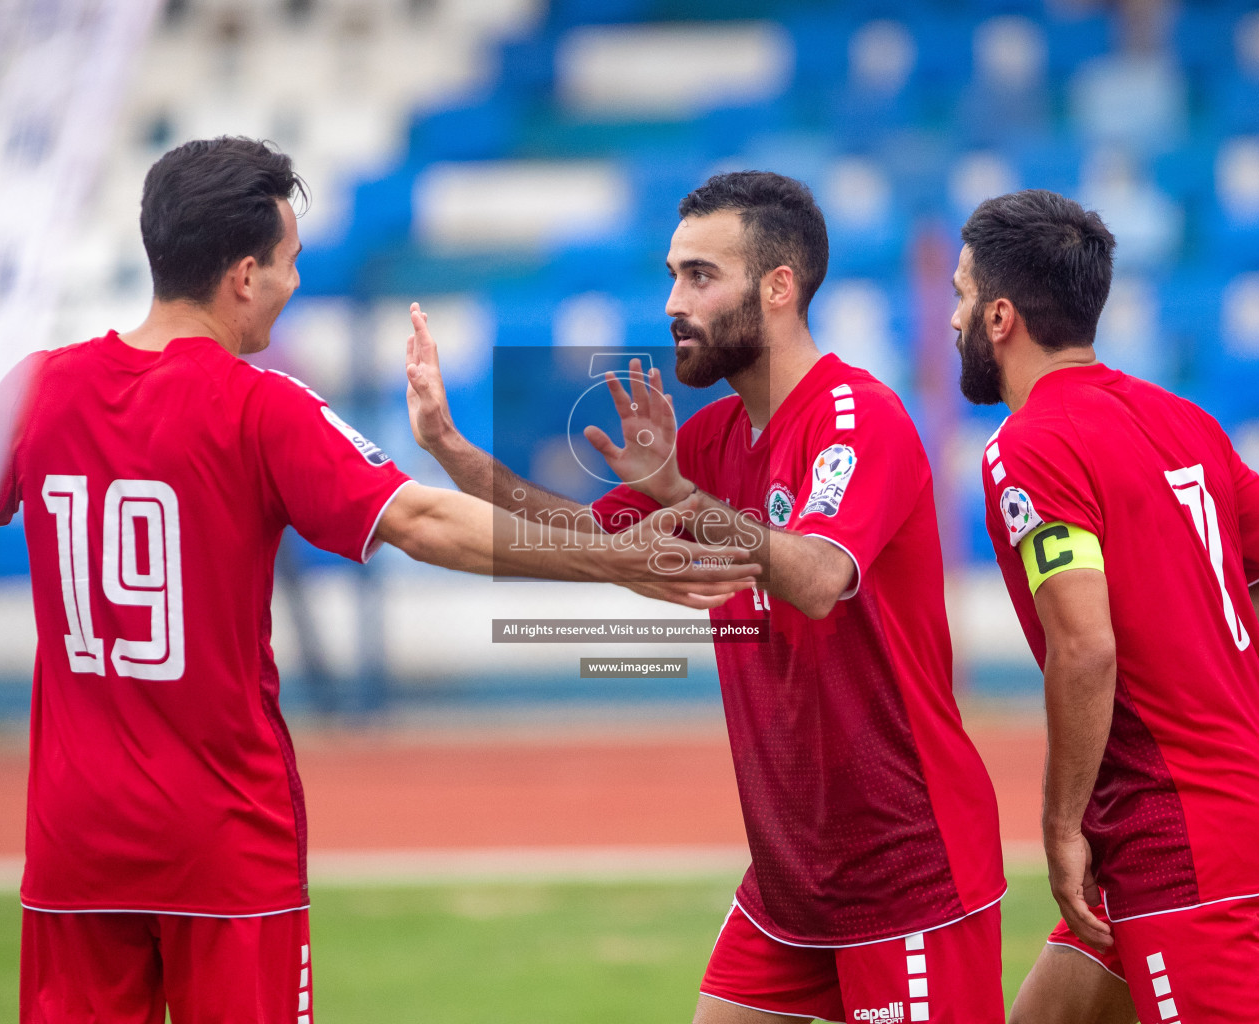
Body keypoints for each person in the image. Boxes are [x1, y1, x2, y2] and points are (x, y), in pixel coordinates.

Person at [0, 136, 756, 1024]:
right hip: (222, 840)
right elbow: (424, 523)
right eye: (288, 263)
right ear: (242, 275)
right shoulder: (259, 404)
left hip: (74, 844)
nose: (295, 282)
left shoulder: (39, 388)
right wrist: (617, 559)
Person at [406, 170, 1007, 1023]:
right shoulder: (714, 439)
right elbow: (591, 545)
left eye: (698, 276)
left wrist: (681, 497)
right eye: (671, 274)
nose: (671, 303)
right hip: (792, 877)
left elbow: (818, 577)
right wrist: (452, 451)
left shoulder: (858, 418)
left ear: (777, 288)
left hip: (901, 867)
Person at [949, 188, 1259, 1024]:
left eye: (961, 295)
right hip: (1247, 784)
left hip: (1179, 823)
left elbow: (1085, 649)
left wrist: (1060, 826)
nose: (953, 318)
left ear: (1001, 316)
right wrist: (1201, 680)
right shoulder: (1180, 416)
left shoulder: (1030, 447)